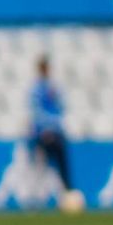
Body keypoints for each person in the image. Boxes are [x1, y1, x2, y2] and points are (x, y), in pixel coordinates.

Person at [31, 56, 73, 194]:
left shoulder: (54, 87)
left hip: (56, 133)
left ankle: (67, 194)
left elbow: (62, 108)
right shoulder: (36, 89)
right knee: (41, 167)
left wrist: (54, 127)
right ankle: (37, 196)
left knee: (63, 167)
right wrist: (45, 129)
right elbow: (36, 111)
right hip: (42, 134)